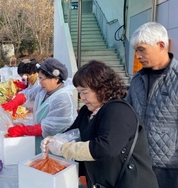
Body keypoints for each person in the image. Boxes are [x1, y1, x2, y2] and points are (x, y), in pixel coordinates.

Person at [41, 60, 159, 188]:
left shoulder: (118, 111)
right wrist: (55, 139)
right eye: (80, 92)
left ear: (102, 89)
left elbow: (105, 148)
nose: (82, 97)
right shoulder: (88, 111)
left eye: (85, 92)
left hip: (131, 182)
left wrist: (64, 149)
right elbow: (74, 132)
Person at [126, 22, 178, 188]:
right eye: (136, 50)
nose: (137, 56)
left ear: (161, 45)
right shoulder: (137, 80)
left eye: (141, 49)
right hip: (138, 161)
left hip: (169, 169)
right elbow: (128, 115)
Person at [1, 57, 77, 154]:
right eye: (39, 78)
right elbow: (28, 94)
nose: (39, 82)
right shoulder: (43, 90)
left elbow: (48, 128)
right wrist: (15, 102)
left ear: (55, 79)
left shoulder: (63, 100)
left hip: (57, 148)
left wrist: (23, 130)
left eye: (41, 79)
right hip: (42, 142)